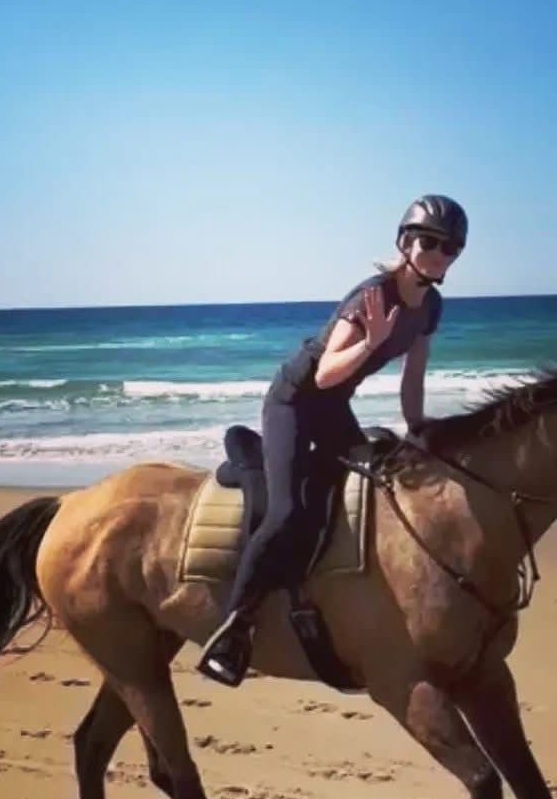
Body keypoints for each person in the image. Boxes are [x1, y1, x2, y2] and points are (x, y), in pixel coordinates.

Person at [197, 194, 468, 687]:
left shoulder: (430, 306)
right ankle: (235, 628)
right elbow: (324, 374)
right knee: (287, 512)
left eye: (449, 248)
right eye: (429, 241)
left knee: (381, 476)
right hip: (294, 402)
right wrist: (371, 339)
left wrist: (418, 427)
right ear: (406, 242)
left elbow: (414, 376)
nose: (438, 253)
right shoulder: (372, 297)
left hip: (332, 409)